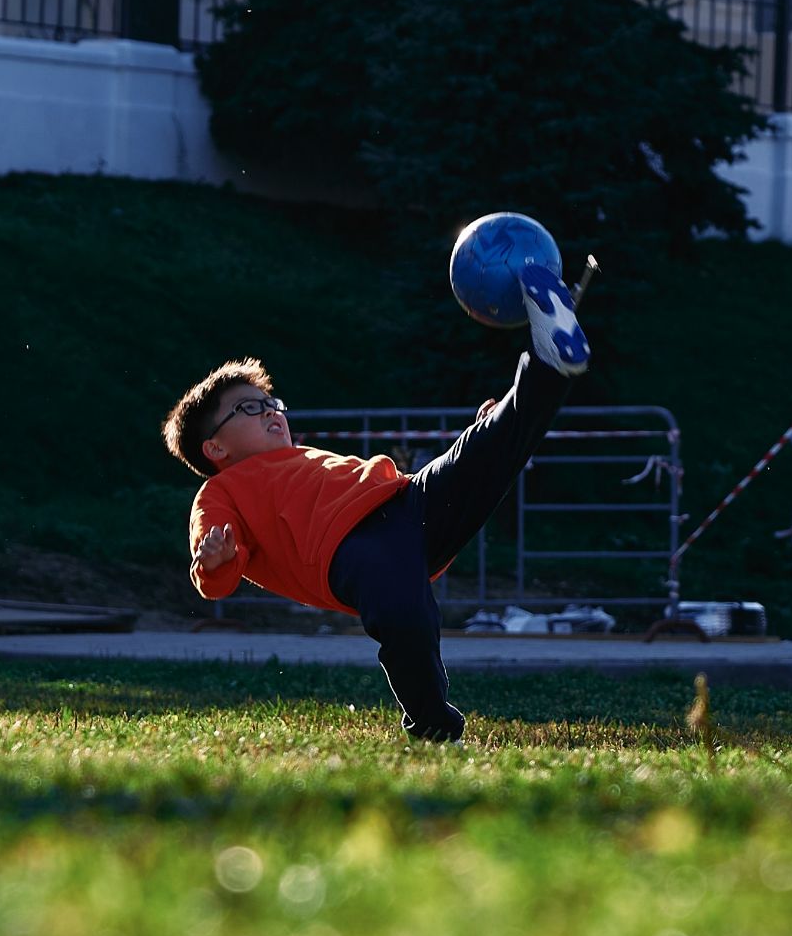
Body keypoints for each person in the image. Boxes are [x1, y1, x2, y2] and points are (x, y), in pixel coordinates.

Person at [159, 263, 590, 742]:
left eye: (271, 403)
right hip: (350, 549)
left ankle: (548, 362)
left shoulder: (300, 455)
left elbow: (377, 483)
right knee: (409, 620)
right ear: (215, 448)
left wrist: (475, 438)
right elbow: (213, 581)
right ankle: (432, 721)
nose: (270, 411)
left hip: (409, 501)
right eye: (249, 408)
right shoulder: (219, 492)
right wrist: (217, 560)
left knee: (494, 445)